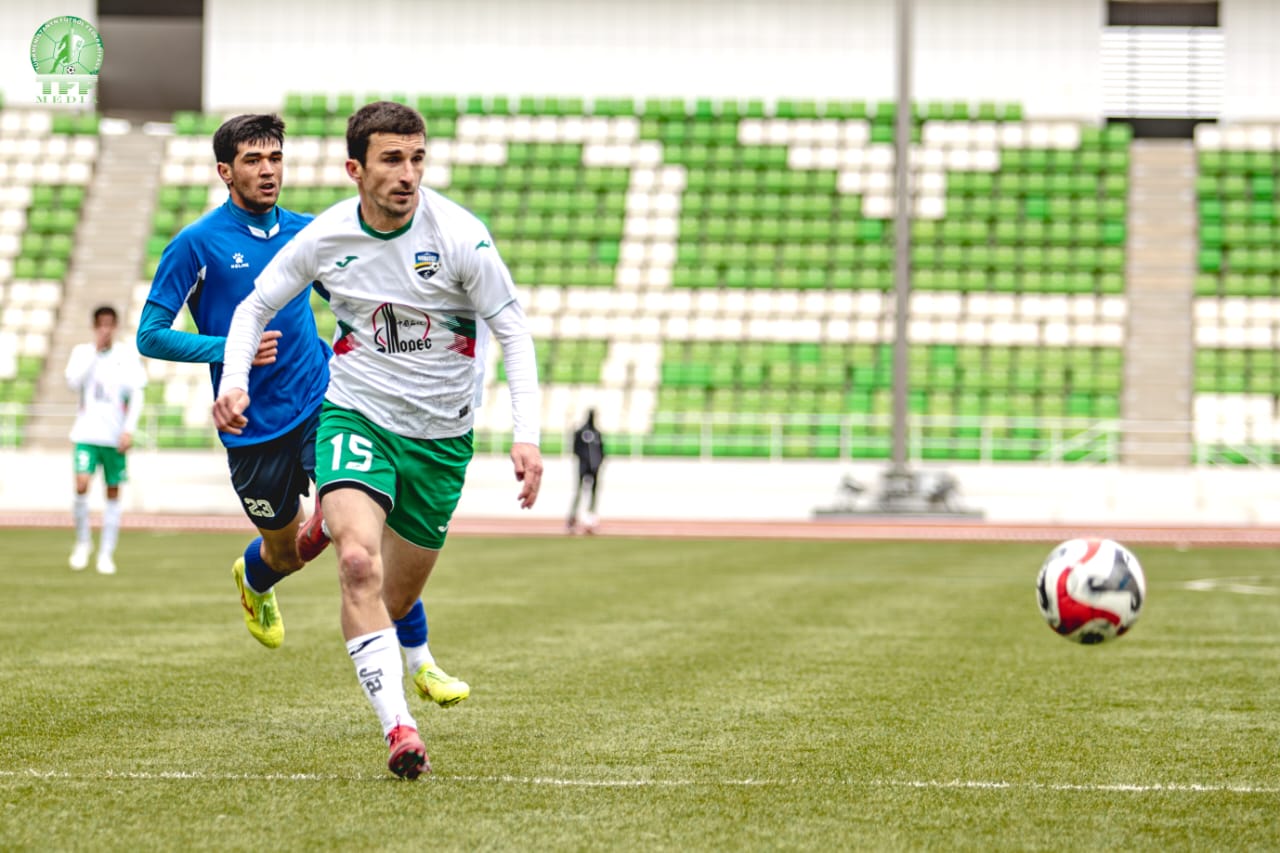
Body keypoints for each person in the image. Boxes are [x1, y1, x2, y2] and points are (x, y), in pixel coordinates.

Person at [213, 100, 543, 779]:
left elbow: (513, 331)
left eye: (417, 158)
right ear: (355, 169)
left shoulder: (460, 236)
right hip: (356, 413)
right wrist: (234, 382)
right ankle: (400, 729)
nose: (408, 173)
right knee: (358, 566)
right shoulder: (327, 237)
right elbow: (254, 307)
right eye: (392, 159)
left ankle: (322, 527)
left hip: (441, 441)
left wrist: (527, 435)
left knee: (391, 601)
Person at [137, 115, 466, 712]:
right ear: (225, 171)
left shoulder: (309, 232)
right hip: (253, 429)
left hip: (326, 403)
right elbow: (150, 334)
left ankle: (420, 661)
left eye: (275, 159)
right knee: (286, 553)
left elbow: (351, 297)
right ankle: (253, 579)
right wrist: (227, 350)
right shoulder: (196, 244)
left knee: (367, 536)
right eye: (253, 160)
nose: (268, 171)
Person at [65, 305, 146, 575]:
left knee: (112, 492)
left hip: (114, 437)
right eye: (101, 324)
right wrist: (95, 353)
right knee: (81, 484)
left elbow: (137, 395)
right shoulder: (82, 353)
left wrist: (129, 430)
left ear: (116, 326)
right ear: (94, 326)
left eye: (110, 324)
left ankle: (106, 553)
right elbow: (73, 383)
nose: (105, 329)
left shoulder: (126, 357)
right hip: (86, 433)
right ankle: (83, 542)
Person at [567, 408, 605, 534]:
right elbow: (575, 448)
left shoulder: (597, 433)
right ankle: (572, 519)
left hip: (594, 467)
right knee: (578, 492)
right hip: (583, 466)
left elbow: (601, 450)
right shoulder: (581, 432)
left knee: (593, 494)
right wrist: (584, 460)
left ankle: (590, 520)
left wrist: (598, 463)